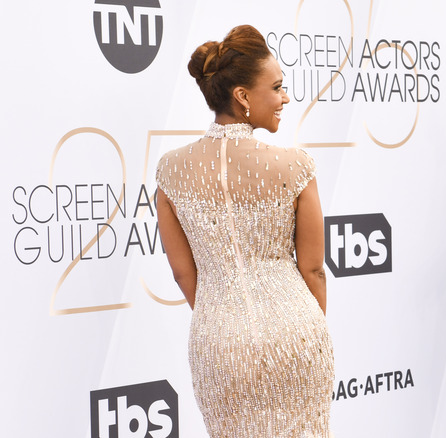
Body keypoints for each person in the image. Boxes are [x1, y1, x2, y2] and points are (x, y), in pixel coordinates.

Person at [156, 25, 334, 437]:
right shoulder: (295, 166)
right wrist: (304, 328)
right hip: (297, 335)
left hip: (219, 342)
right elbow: (313, 270)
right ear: (242, 96)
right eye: (277, 87)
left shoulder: (170, 172)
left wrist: (227, 318)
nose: (285, 97)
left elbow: (184, 275)